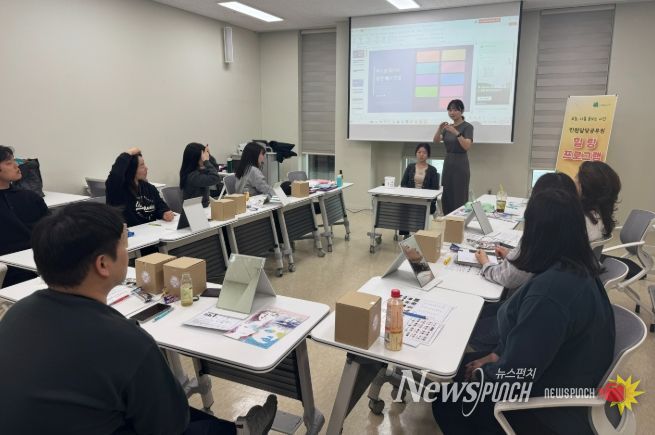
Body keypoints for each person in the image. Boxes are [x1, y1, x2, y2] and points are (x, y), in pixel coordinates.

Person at [0, 202, 277, 434]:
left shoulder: (16, 314)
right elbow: (169, 426)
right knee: (181, 419)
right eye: (124, 245)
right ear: (103, 264)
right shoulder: (126, 342)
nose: (128, 252)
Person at [433, 189, 615, 435]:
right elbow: (529, 347)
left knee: (445, 401)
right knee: (459, 369)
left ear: (537, 233)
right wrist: (496, 355)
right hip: (567, 374)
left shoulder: (550, 294)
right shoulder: (578, 265)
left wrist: (484, 373)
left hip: (547, 409)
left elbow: (517, 377)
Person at [474, 172, 579, 290]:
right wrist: (512, 255)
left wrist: (485, 263)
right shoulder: (574, 233)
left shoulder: (540, 237)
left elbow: (508, 278)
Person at [0, 145, 48, 287]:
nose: (17, 166)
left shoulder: (30, 197)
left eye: (15, 161)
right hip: (8, 270)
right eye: (9, 163)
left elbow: (50, 230)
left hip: (38, 263)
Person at [106, 147, 174, 226]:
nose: (146, 168)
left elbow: (160, 206)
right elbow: (115, 175)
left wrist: (164, 213)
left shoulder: (149, 188)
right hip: (129, 232)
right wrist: (128, 153)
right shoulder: (118, 189)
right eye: (142, 165)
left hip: (151, 230)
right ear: (132, 169)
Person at [433, 99, 474, 215]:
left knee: (459, 195)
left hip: (461, 163)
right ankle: (447, 219)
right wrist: (439, 129)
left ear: (462, 111)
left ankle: (459, 220)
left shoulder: (467, 127)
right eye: (450, 110)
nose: (452, 112)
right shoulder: (448, 128)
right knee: (447, 195)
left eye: (455, 110)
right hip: (448, 162)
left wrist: (456, 133)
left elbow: (467, 146)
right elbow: (436, 141)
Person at [400, 142, 440, 236]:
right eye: (419, 152)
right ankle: (405, 234)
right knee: (403, 207)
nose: (421, 155)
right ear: (416, 154)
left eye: (424, 152)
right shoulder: (410, 167)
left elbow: (434, 189)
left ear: (428, 155)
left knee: (419, 209)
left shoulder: (432, 170)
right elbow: (403, 184)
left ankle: (420, 235)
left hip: (425, 201)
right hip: (411, 198)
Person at [576, 160, 621, 242]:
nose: (574, 181)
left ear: (585, 187)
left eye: (577, 178)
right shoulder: (601, 216)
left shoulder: (579, 219)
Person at [180, 142, 221, 208]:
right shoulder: (192, 176)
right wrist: (206, 161)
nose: (204, 158)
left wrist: (209, 156)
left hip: (203, 207)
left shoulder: (199, 171)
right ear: (195, 159)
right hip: (193, 210)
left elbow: (215, 169)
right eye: (202, 157)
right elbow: (216, 178)